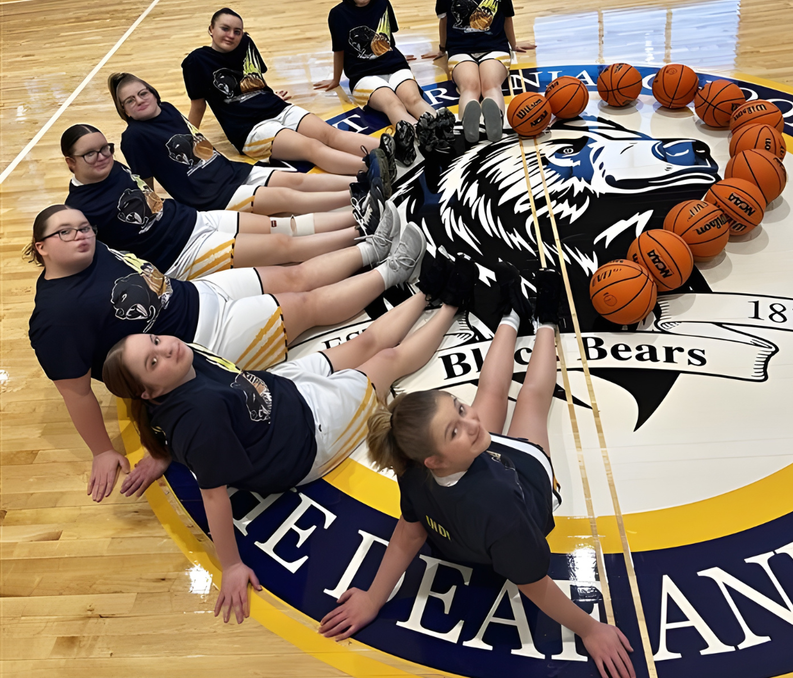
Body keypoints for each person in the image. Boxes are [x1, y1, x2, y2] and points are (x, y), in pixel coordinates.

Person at [102, 257, 478, 625]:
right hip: (309, 435)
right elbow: (213, 496)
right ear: (150, 391)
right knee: (389, 359)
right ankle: (450, 305)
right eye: (153, 362)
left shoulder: (178, 364)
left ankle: (425, 293)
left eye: (155, 340)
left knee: (367, 342)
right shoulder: (200, 419)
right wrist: (231, 565)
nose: (165, 348)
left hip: (284, 390)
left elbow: (157, 420)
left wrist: (161, 453)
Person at [319, 271, 636, 678]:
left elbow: (526, 578)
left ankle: (521, 315)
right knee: (531, 399)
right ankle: (541, 320)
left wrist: (588, 629)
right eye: (455, 429)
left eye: (459, 408)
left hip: (518, 470)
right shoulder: (457, 489)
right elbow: (413, 531)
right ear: (429, 461)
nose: (471, 425)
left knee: (493, 393)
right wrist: (373, 598)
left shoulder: (426, 466)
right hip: (507, 472)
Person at [26, 204, 425, 503]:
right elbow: (76, 392)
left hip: (198, 294)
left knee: (293, 272)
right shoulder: (55, 319)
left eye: (83, 226)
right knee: (308, 303)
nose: (81, 235)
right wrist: (102, 450)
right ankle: (397, 271)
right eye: (66, 232)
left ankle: (374, 250)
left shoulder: (92, 253)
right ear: (41, 247)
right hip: (202, 339)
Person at [61, 123, 366, 283]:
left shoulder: (115, 168)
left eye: (105, 148)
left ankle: (361, 214)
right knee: (284, 247)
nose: (102, 157)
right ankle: (366, 245)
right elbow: (102, 262)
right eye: (91, 153)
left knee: (286, 226)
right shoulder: (78, 211)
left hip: (195, 220)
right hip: (182, 255)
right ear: (70, 162)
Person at [109, 72, 354, 219]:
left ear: (153, 93)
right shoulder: (134, 137)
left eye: (142, 93)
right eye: (129, 101)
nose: (139, 101)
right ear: (124, 111)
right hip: (210, 196)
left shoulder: (169, 109)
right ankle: (357, 197)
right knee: (287, 198)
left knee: (295, 179)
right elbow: (145, 184)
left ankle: (362, 180)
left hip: (230, 171)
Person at [182, 8, 383, 176]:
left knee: (330, 134)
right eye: (225, 29)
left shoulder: (246, 43)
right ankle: (376, 171)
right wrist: (192, 142)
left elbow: (255, 80)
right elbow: (198, 107)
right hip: (250, 129)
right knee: (312, 148)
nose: (231, 35)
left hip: (277, 108)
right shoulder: (196, 61)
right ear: (211, 29)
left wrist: (267, 95)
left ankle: (396, 149)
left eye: (237, 31)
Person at [314, 0, 431, 166]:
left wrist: (400, 56)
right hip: (363, 76)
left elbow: (388, 40)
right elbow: (339, 49)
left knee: (413, 99)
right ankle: (415, 139)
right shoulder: (337, 14)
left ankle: (444, 129)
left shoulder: (383, 2)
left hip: (394, 65)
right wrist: (335, 78)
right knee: (393, 104)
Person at [428, 0, 534, 143]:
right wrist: (442, 48)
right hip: (460, 49)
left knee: (490, 85)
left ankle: (496, 122)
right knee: (470, 86)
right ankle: (470, 124)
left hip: (494, 46)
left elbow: (506, 17)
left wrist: (513, 44)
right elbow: (444, 21)